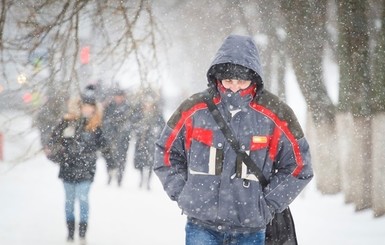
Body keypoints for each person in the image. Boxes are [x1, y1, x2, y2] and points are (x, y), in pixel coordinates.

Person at [153, 34, 313, 244]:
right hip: (202, 226)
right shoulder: (194, 109)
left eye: (241, 81)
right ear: (217, 77)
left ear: (254, 78)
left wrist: (268, 204)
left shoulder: (277, 114)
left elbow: (299, 167)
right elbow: (165, 152)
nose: (234, 87)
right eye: (228, 80)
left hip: (250, 229)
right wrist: (184, 194)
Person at [46, 92, 115, 243]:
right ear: (79, 107)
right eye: (84, 106)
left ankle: (82, 233)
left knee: (83, 200)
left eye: (90, 107)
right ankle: (70, 233)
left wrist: (112, 165)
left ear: (94, 109)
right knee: (69, 201)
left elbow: (105, 147)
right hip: (68, 168)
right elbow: (52, 142)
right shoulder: (67, 122)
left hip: (86, 170)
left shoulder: (95, 127)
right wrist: (56, 155)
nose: (87, 109)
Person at [132, 95, 165, 190]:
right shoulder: (138, 113)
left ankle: (148, 182)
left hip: (152, 142)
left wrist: (156, 131)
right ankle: (141, 178)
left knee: (151, 163)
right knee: (141, 162)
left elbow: (162, 126)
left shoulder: (157, 114)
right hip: (141, 142)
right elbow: (134, 125)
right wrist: (140, 129)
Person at [102, 88, 132, 186]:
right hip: (111, 137)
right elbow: (105, 120)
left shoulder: (128, 107)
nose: (118, 98)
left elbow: (130, 122)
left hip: (123, 138)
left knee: (122, 158)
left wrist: (124, 130)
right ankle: (110, 175)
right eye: (117, 96)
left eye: (120, 96)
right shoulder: (110, 106)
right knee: (109, 157)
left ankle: (120, 178)